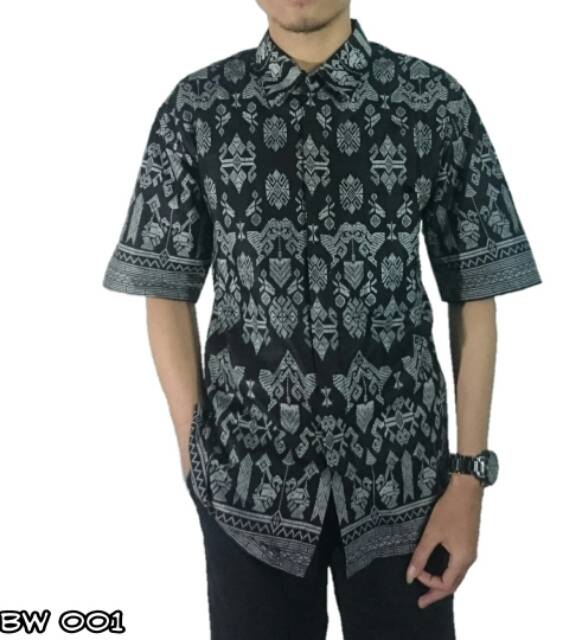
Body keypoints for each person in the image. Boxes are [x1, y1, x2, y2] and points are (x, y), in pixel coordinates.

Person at [102, 1, 542, 638]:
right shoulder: (197, 109)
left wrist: (468, 478)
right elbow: (166, 288)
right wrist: (195, 454)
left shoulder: (429, 101)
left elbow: (473, 288)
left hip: (406, 485)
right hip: (246, 485)